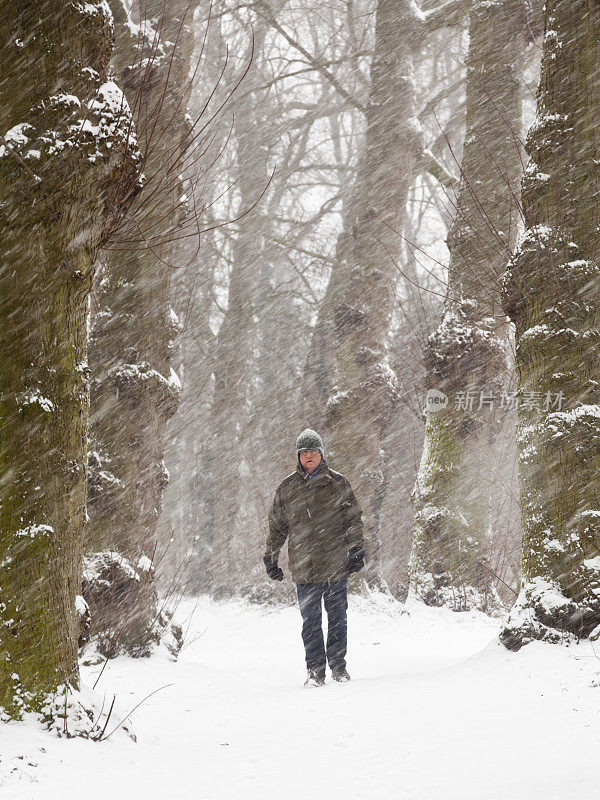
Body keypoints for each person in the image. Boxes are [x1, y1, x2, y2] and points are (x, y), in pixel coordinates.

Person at [263, 429, 366, 687]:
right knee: (310, 622)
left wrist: (356, 549)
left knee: (338, 618)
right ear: (298, 456)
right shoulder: (287, 488)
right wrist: (271, 557)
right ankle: (314, 671)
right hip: (304, 567)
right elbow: (277, 527)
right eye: (304, 452)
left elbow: (353, 520)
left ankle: (339, 668)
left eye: (313, 451)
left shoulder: (338, 484)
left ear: (321, 454)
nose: (309, 456)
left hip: (335, 565)